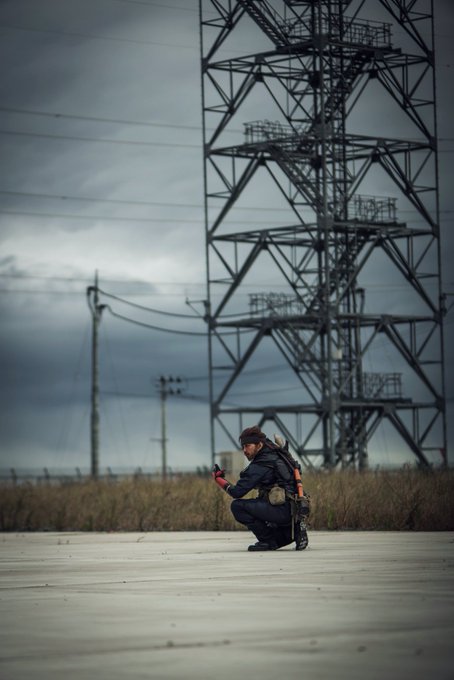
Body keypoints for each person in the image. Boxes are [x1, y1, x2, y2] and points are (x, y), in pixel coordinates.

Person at [212, 425, 309, 551]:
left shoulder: (262, 462)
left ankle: (268, 540)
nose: (244, 450)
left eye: (248, 446)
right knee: (261, 501)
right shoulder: (275, 452)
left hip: (284, 511)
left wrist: (219, 479)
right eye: (243, 447)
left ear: (259, 445)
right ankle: (295, 532)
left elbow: (237, 492)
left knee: (237, 506)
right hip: (295, 511)